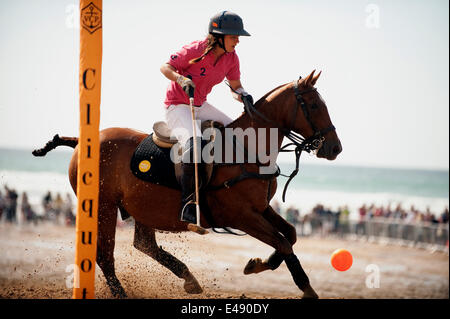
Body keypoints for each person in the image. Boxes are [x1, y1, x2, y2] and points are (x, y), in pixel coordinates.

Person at [160, 11, 252, 229]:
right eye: (234, 37)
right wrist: (180, 78)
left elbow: (235, 86)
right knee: (196, 145)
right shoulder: (195, 49)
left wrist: (244, 95)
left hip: (200, 106)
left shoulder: (232, 58)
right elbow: (165, 67)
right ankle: (189, 204)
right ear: (219, 36)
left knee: (238, 133)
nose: (238, 41)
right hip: (177, 106)